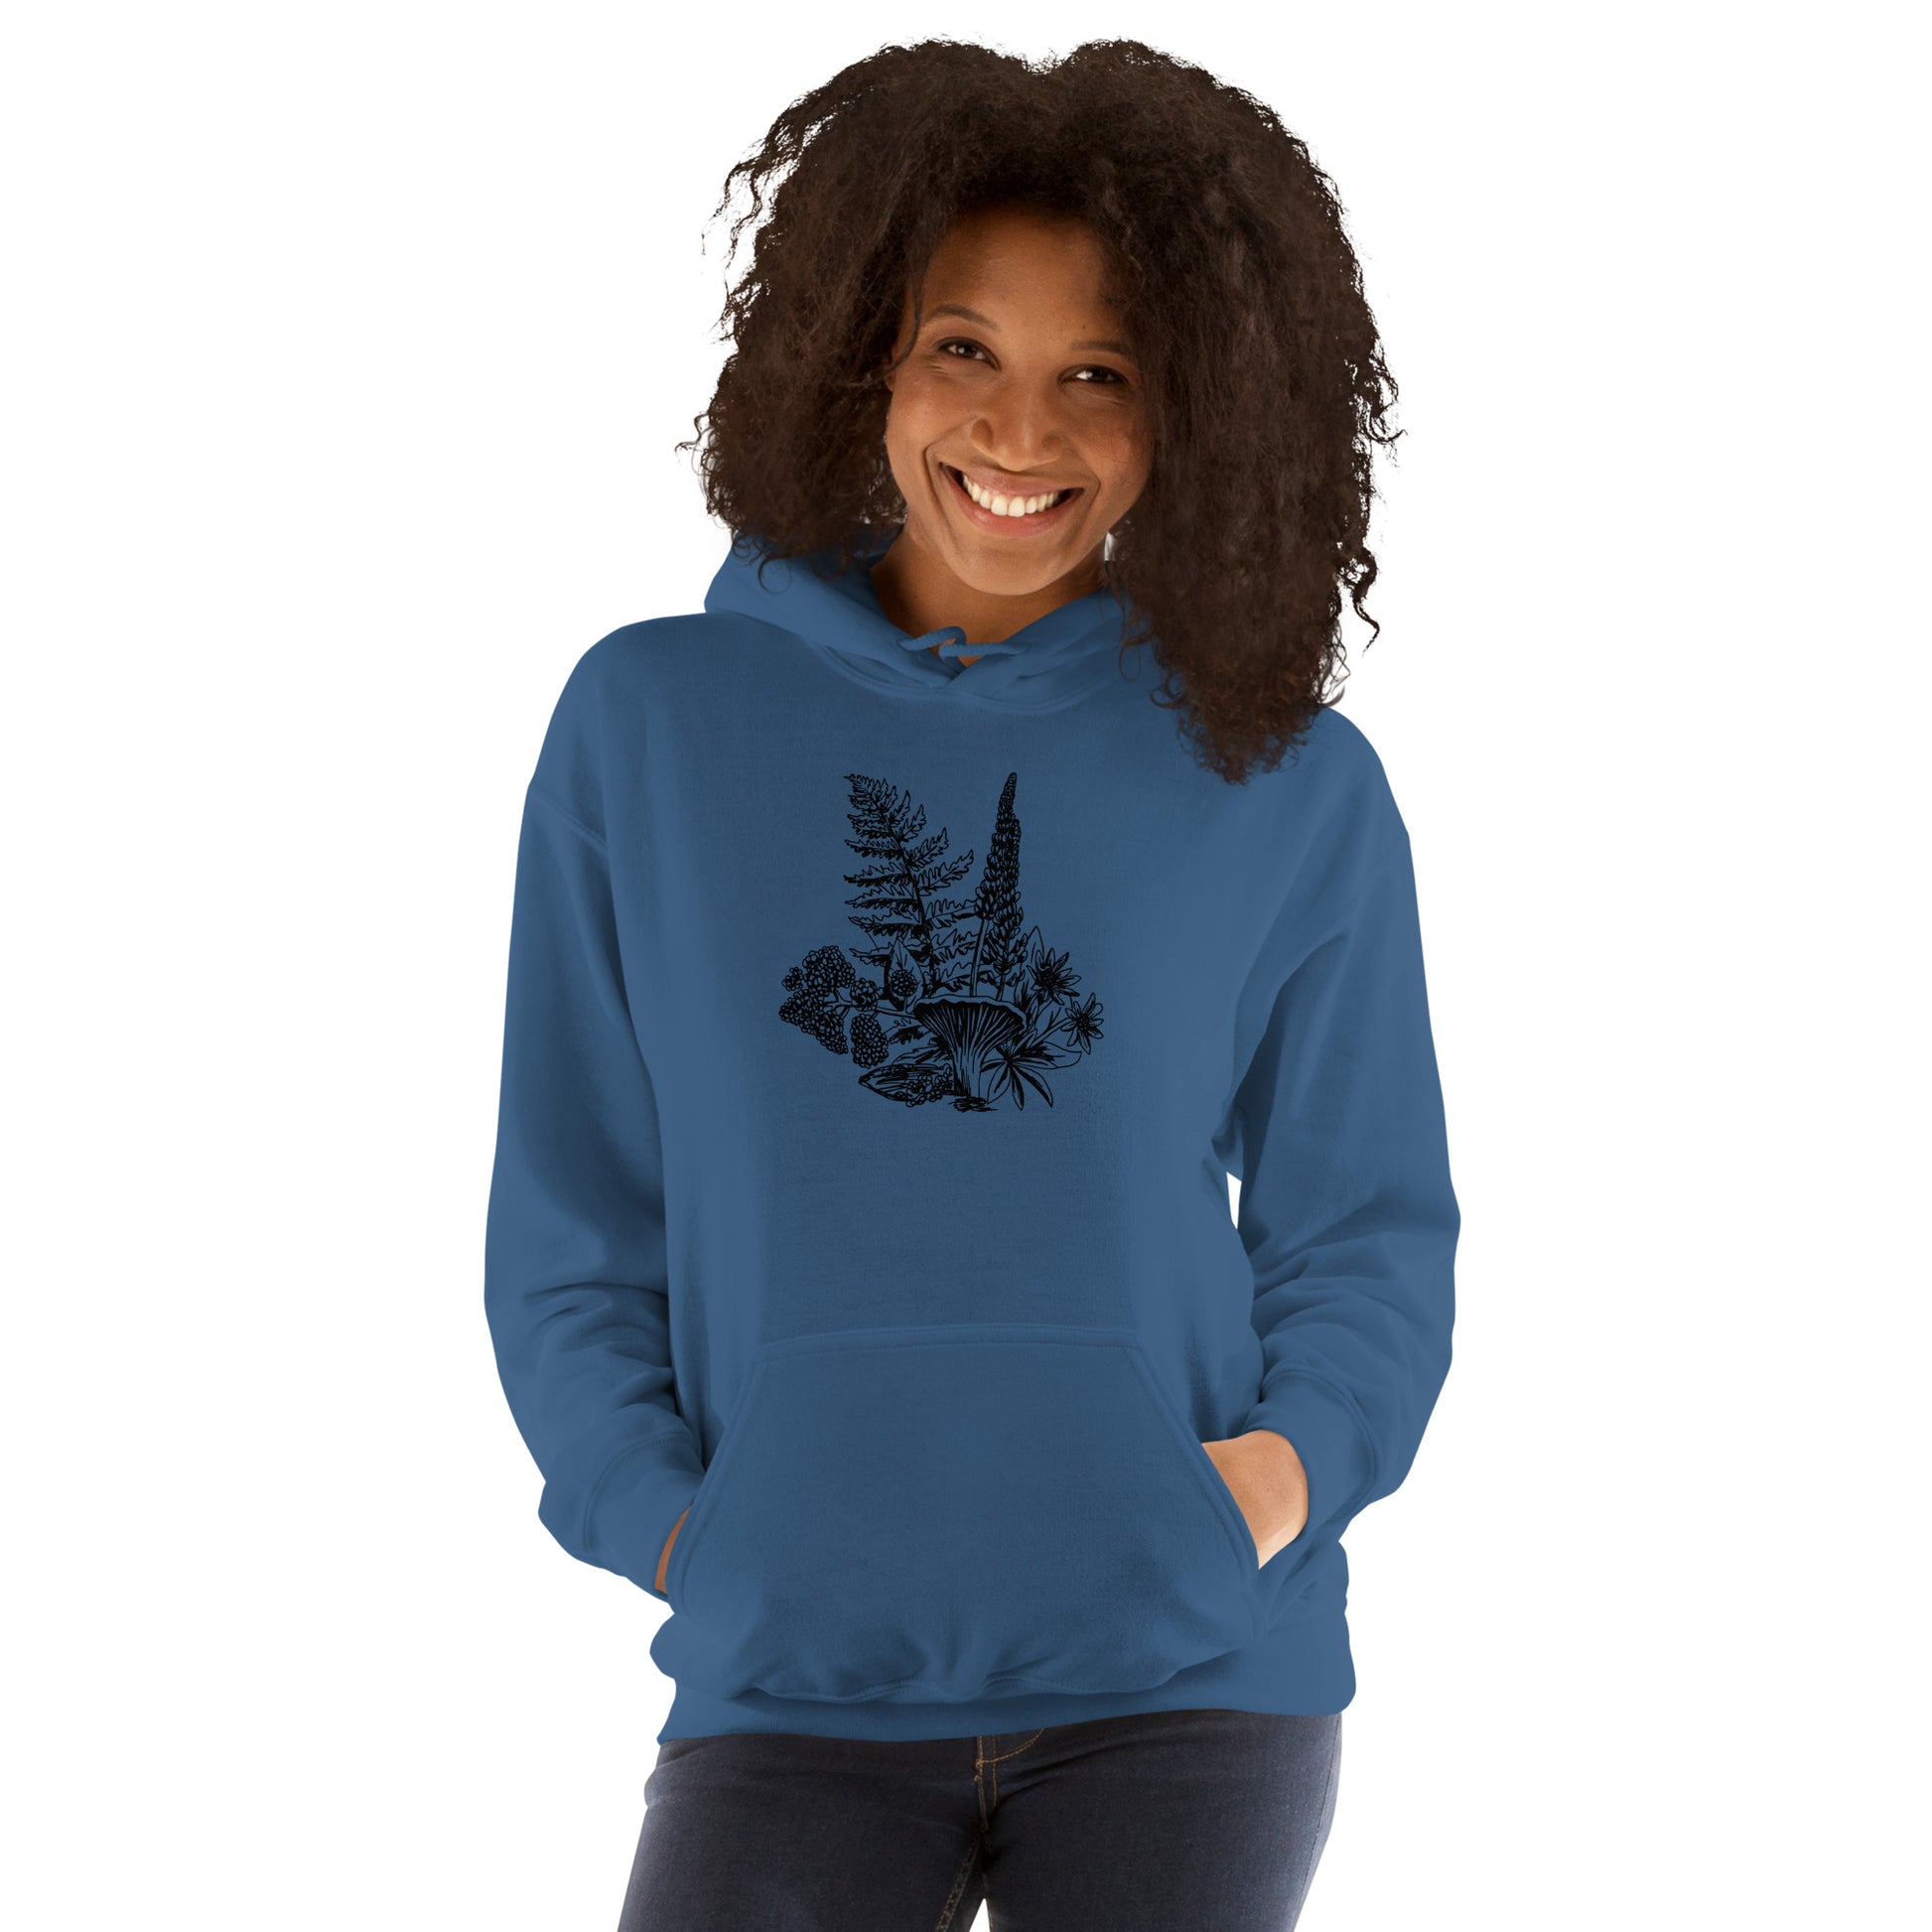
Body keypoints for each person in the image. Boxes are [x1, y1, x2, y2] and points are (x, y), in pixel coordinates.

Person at [483, 37, 1459, 1932]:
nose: (1022, 434)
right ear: (859, 353)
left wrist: (1263, 1491)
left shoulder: (1282, 775)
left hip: (1193, 1682)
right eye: (963, 349)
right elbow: (574, 1216)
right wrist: (678, 1530)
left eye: (1100, 372)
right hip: (788, 1677)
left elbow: (1364, 1232)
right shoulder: (649, 726)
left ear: (1193, 411)